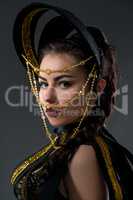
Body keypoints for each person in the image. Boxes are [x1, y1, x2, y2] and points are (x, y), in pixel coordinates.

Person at [11, 3, 133, 200]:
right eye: (43, 83)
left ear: (97, 87)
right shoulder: (73, 146)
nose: (48, 97)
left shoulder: (82, 156)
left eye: (64, 84)